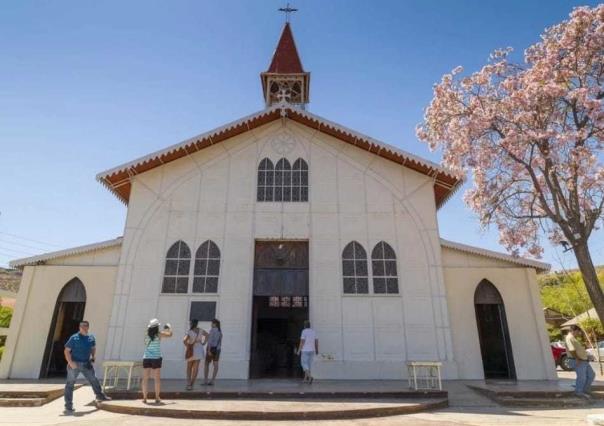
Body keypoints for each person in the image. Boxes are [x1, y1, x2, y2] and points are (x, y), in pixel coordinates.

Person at [63, 320, 111, 414]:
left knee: (94, 379)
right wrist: (70, 362)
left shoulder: (91, 338)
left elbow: (93, 348)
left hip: (86, 364)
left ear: (88, 327)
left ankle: (100, 395)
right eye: (82, 326)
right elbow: (66, 351)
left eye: (86, 326)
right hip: (74, 364)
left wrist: (93, 356)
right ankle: (68, 406)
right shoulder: (74, 338)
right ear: (79, 327)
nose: (84, 328)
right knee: (70, 385)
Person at [142, 318, 173, 403]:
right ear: (157, 327)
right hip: (156, 358)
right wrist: (169, 327)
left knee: (145, 379)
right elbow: (170, 334)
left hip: (146, 357)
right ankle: (157, 397)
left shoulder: (146, 335)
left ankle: (144, 398)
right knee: (157, 379)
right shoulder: (159, 334)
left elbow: (145, 343)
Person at [565, 325, 595, 398]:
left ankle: (584, 390)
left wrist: (586, 356)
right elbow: (572, 350)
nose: (579, 333)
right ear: (574, 330)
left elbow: (577, 350)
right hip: (578, 360)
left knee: (591, 375)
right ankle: (578, 392)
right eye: (578, 332)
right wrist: (577, 358)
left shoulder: (573, 338)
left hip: (583, 360)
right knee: (582, 377)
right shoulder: (569, 338)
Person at [184, 319, 208, 390]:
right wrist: (204, 343)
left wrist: (188, 347)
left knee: (189, 367)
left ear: (191, 324)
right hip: (199, 349)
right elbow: (207, 335)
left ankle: (188, 383)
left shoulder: (190, 332)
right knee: (196, 368)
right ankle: (192, 384)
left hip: (192, 349)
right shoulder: (201, 330)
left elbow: (184, 340)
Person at [204, 319, 222, 385]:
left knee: (206, 364)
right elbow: (220, 342)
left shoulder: (212, 331)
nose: (211, 324)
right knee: (216, 364)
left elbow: (210, 342)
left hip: (211, 349)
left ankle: (206, 380)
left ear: (215, 324)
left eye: (212, 323)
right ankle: (213, 380)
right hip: (217, 349)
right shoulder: (220, 331)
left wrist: (208, 350)